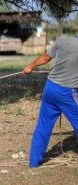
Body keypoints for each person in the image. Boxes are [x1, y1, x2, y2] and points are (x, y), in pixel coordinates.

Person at [23, 34, 78, 168]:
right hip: (67, 93)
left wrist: (30, 67)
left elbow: (45, 57)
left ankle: (34, 162)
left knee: (43, 126)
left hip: (50, 88)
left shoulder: (64, 39)